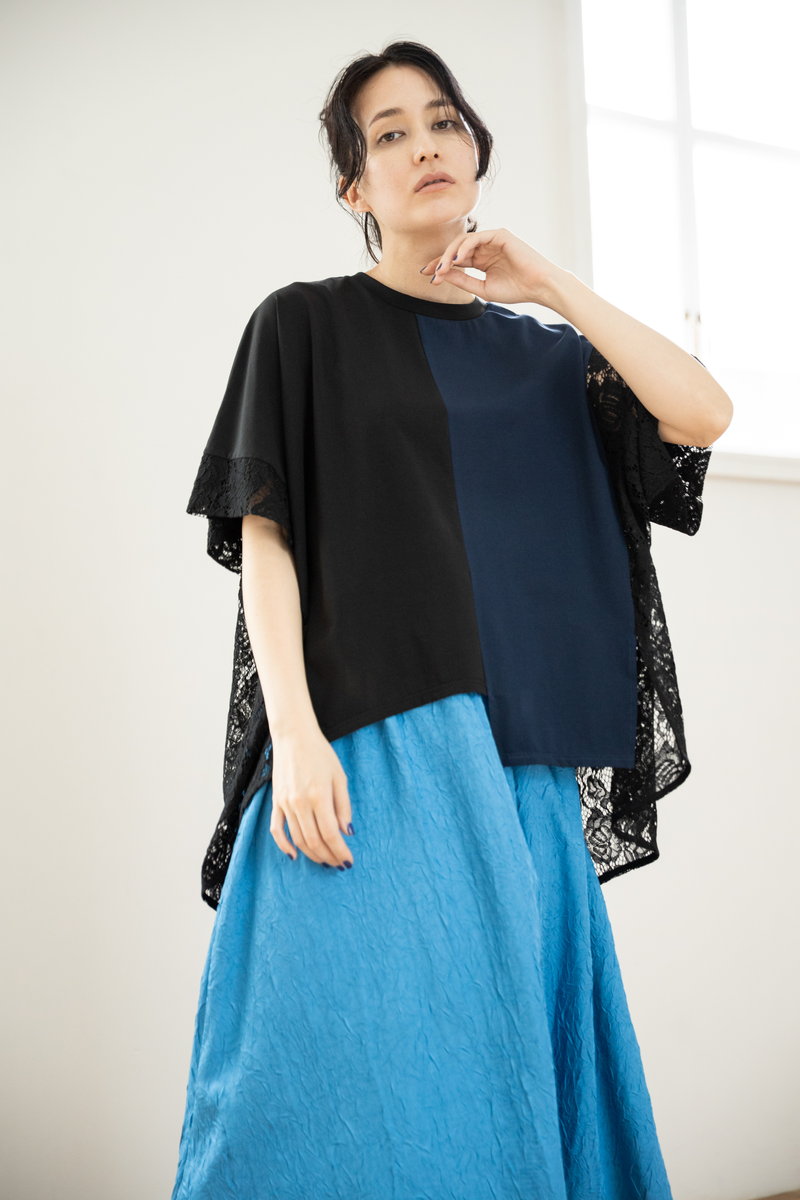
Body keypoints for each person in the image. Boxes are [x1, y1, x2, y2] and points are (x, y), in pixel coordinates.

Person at [170, 39, 732, 1200]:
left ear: (474, 149)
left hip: (522, 768)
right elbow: (264, 540)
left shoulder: (547, 357)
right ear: (352, 187)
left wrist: (547, 283)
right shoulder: (303, 326)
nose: (423, 145)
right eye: (387, 134)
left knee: (503, 1080)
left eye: (442, 122)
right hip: (364, 748)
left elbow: (701, 412)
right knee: (309, 1081)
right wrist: (295, 736)